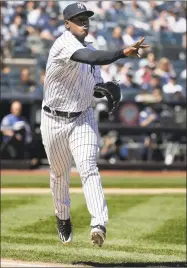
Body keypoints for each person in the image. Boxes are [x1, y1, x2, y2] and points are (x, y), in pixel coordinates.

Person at [40, 2, 149, 247]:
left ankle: (98, 224)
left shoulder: (89, 50)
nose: (84, 22)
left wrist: (106, 90)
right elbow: (92, 57)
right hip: (53, 119)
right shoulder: (64, 43)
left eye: (86, 18)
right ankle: (63, 217)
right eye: (78, 19)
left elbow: (95, 85)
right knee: (59, 175)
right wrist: (122, 52)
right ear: (67, 24)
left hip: (81, 117)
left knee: (89, 167)